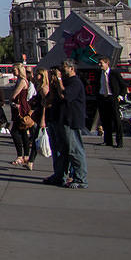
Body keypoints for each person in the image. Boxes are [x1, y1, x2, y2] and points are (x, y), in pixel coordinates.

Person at [59, 59, 88, 189]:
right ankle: (67, 175)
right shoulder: (68, 82)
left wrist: (59, 81)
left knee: (75, 150)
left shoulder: (75, 82)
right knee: (67, 151)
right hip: (66, 119)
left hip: (72, 120)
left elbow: (66, 96)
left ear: (71, 68)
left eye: (64, 67)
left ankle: (81, 179)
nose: (61, 69)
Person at [96, 55, 126, 148]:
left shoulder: (114, 73)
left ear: (107, 63)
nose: (99, 64)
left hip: (112, 98)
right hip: (103, 98)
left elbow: (123, 86)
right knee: (105, 120)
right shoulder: (99, 73)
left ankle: (119, 141)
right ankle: (108, 140)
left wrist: (120, 96)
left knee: (116, 120)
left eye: (101, 63)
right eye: (99, 63)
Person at [9, 64, 32, 167]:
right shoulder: (23, 80)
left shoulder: (22, 81)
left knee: (14, 132)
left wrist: (11, 99)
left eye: (14, 69)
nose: (13, 71)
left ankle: (20, 156)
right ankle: (26, 156)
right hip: (22, 107)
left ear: (19, 70)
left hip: (20, 109)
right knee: (23, 132)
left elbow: (14, 95)